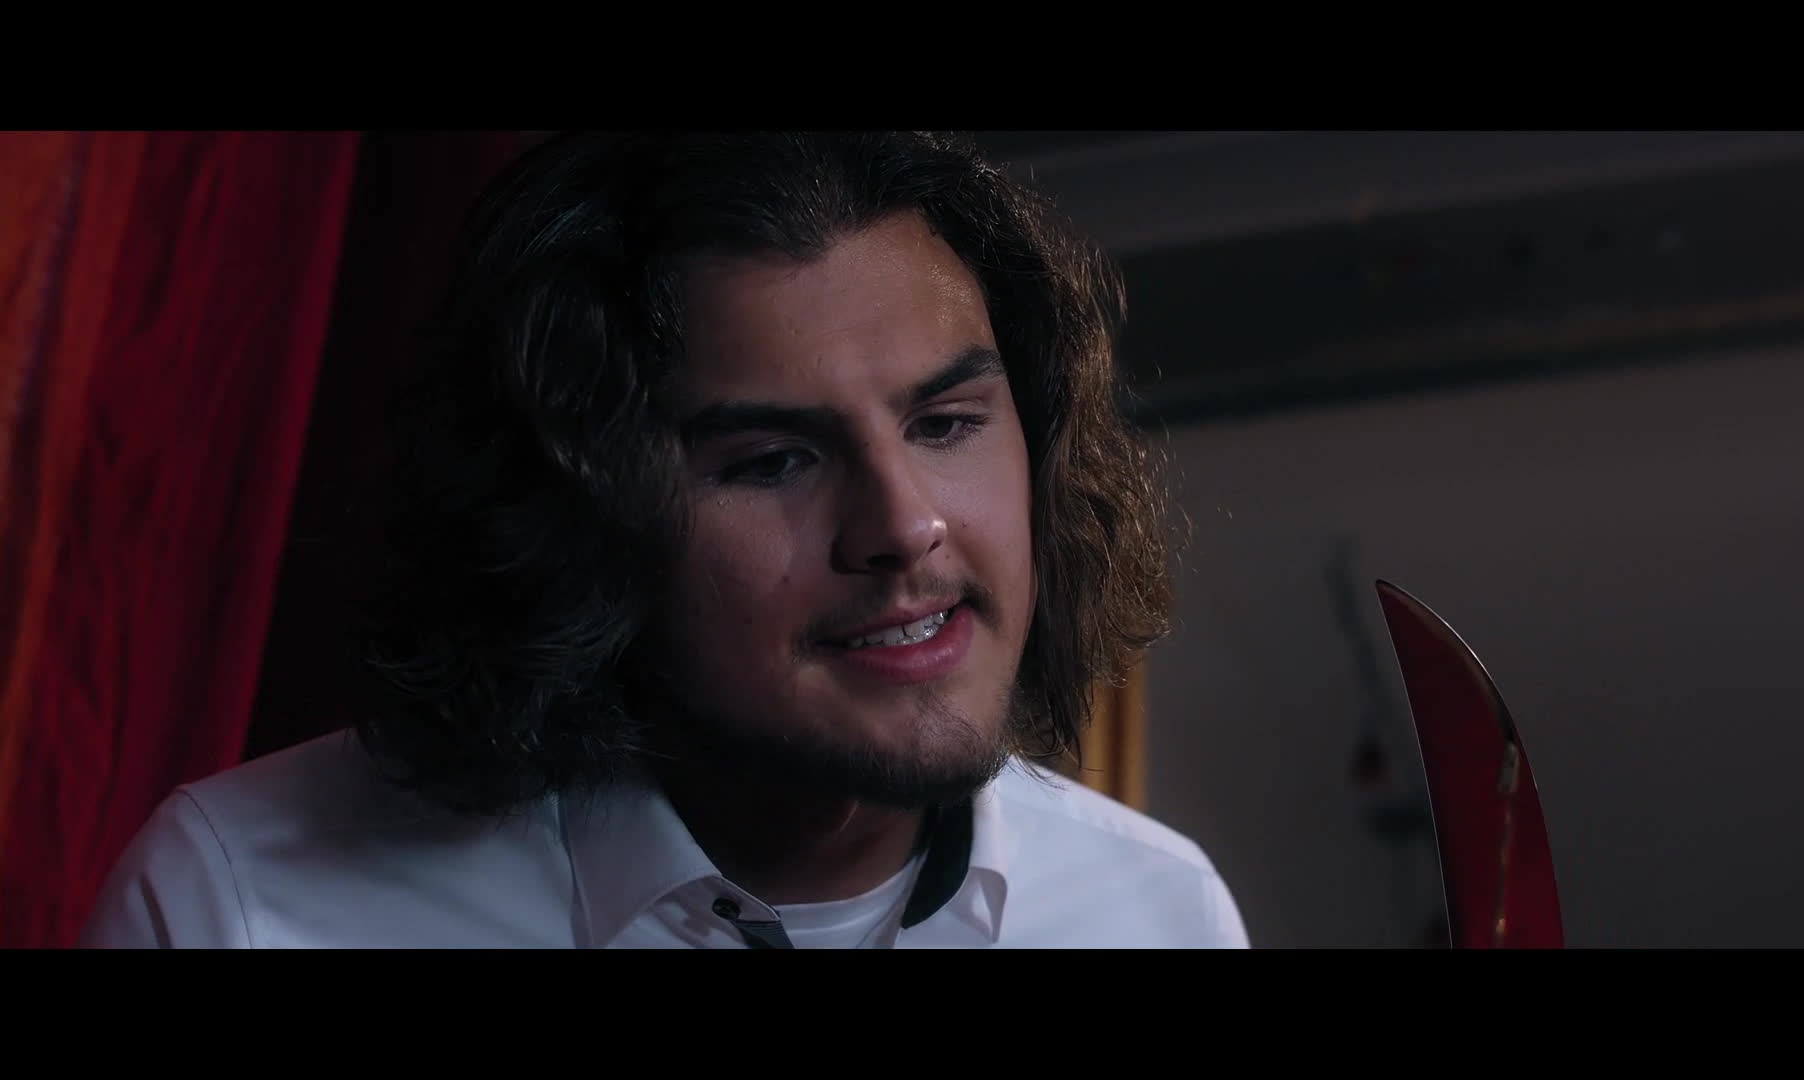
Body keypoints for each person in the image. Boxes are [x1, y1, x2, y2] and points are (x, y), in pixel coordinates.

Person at [79, 131, 1251, 949]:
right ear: (576, 512)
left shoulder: (1157, 913)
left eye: (945, 424)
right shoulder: (244, 904)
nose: (903, 525)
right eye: (773, 461)